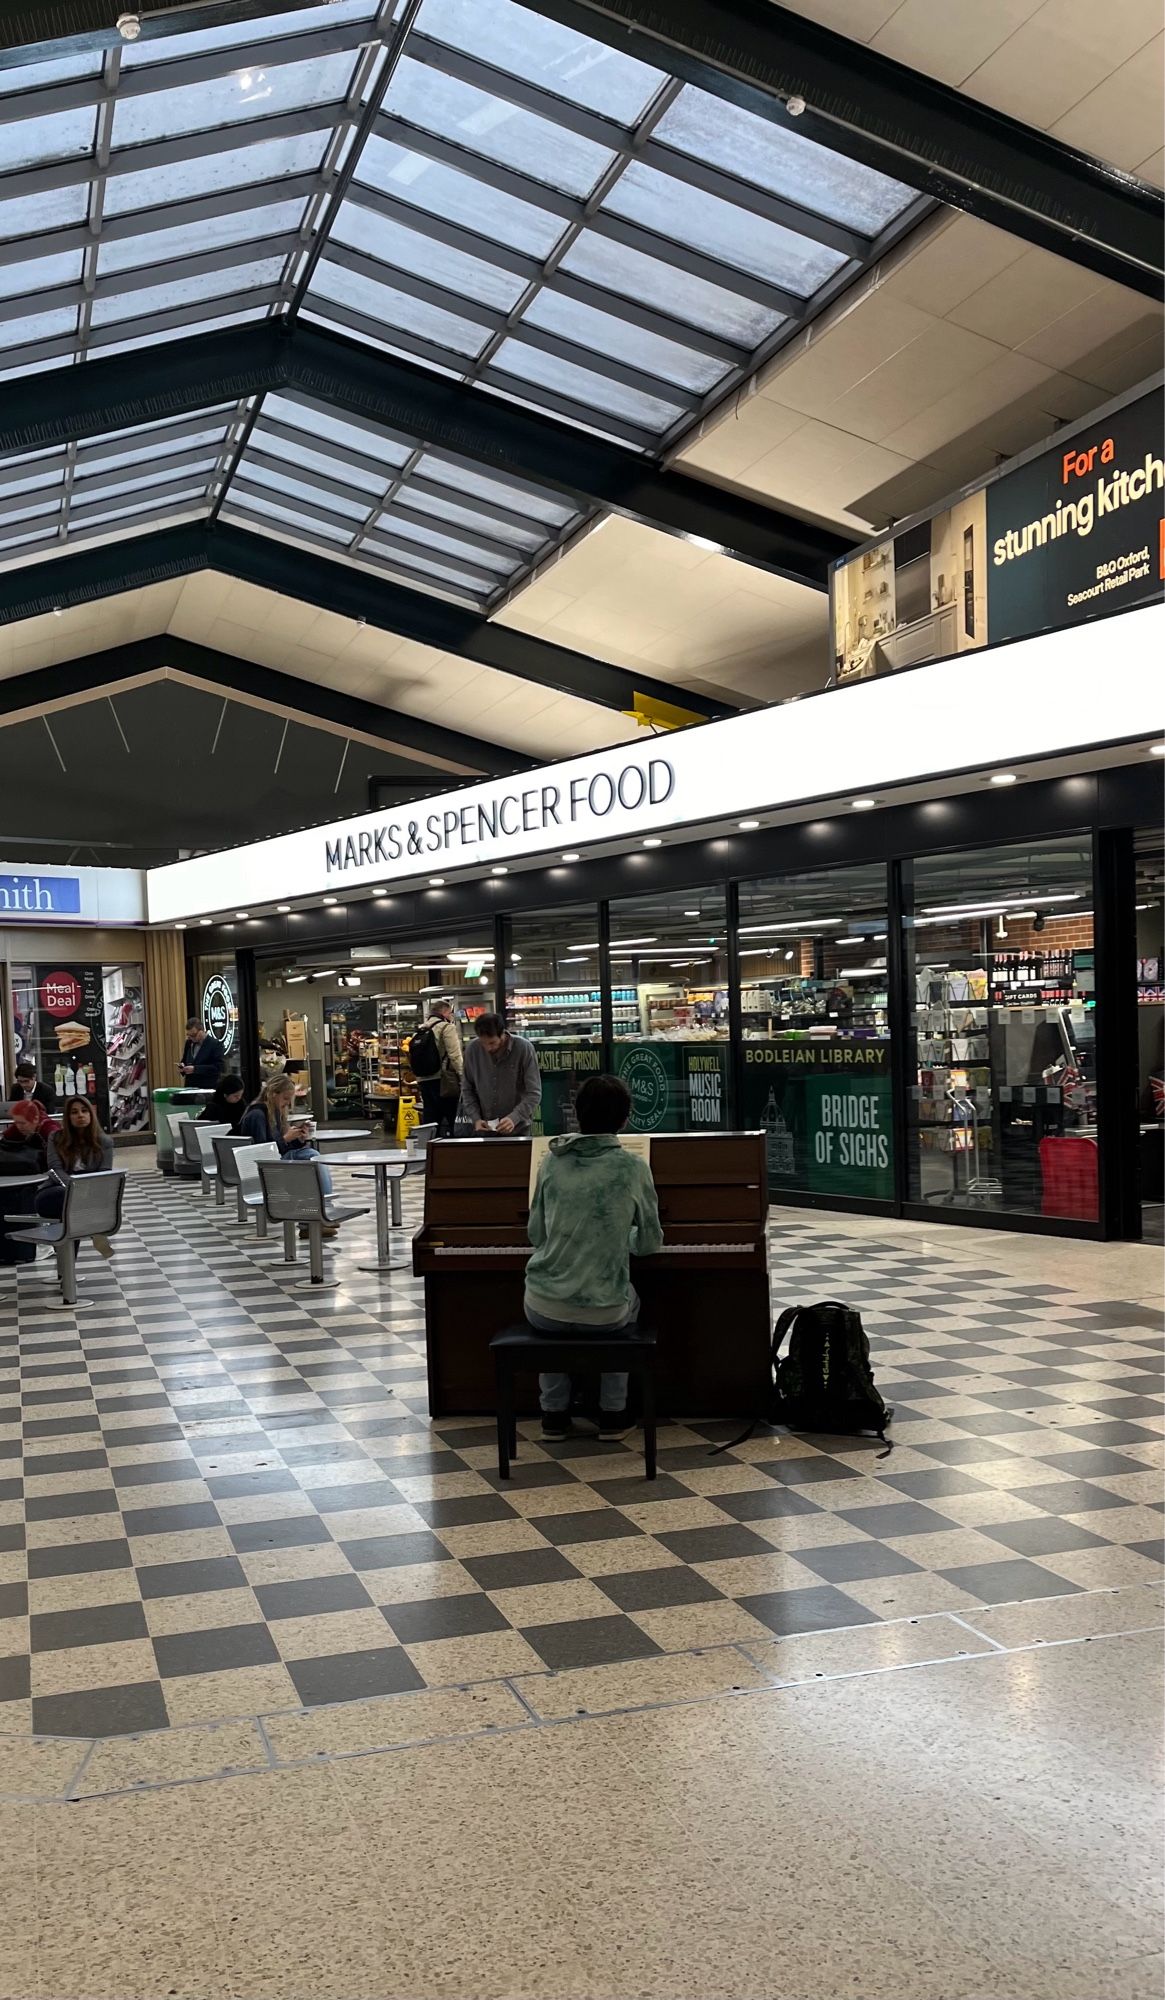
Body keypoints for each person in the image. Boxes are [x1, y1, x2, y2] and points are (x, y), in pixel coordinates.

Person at [524, 1073, 662, 1441]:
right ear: (625, 1118)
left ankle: (554, 1415)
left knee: (550, 1314)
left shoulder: (551, 1163)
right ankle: (613, 1414)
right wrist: (619, 1235)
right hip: (603, 1311)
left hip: (543, 1304)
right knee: (627, 1302)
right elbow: (650, 1243)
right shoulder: (633, 1168)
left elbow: (536, 1235)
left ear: (577, 1115)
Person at [239, 1076, 336, 1228]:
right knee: (313, 1157)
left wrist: (298, 1139)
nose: (286, 1104)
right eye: (285, 1099)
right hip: (264, 1165)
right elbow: (262, 1151)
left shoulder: (272, 1113)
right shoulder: (258, 1115)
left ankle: (314, 1214)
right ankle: (325, 1208)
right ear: (273, 1094)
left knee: (311, 1160)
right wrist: (285, 1138)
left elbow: (280, 1148)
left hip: (273, 1161)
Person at [36, 1097, 116, 1258]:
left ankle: (66, 1274)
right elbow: (55, 1169)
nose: (80, 1115)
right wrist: (75, 1190)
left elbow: (104, 1174)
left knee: (70, 1217)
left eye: (84, 1111)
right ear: (68, 1117)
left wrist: (84, 1192)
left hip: (89, 1193)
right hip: (58, 1190)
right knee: (65, 1199)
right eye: (74, 1112)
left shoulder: (104, 1141)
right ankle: (96, 1232)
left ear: (91, 1114)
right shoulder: (56, 1137)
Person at [461, 1012, 541, 1138]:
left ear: (503, 1034)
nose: (488, 1048)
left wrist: (514, 1118)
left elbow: (534, 1093)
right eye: (483, 1043)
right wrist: (476, 1118)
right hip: (483, 1131)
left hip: (518, 1130)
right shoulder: (472, 1050)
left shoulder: (524, 1048)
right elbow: (467, 1090)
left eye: (492, 1043)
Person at [0, 1099, 50, 1265]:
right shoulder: (18, 1128)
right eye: (16, 1122)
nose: (18, 1126)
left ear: (35, 1120)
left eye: (22, 1123)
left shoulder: (49, 1128)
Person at [410, 999, 463, 1139]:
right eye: (450, 1013)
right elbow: (455, 1055)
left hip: (423, 1079)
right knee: (452, 1116)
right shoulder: (446, 1027)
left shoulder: (420, 1030)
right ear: (445, 1012)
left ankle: (429, 1148)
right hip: (443, 1081)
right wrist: (463, 1076)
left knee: (431, 1118)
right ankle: (454, 1149)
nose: (451, 1016)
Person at [179, 1018, 225, 1087]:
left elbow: (218, 1067)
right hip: (189, 1087)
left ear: (201, 1031)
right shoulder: (188, 1043)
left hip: (206, 1087)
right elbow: (185, 1060)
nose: (190, 1038)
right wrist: (182, 1067)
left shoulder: (215, 1044)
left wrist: (195, 1069)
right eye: (188, 1035)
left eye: (193, 1035)